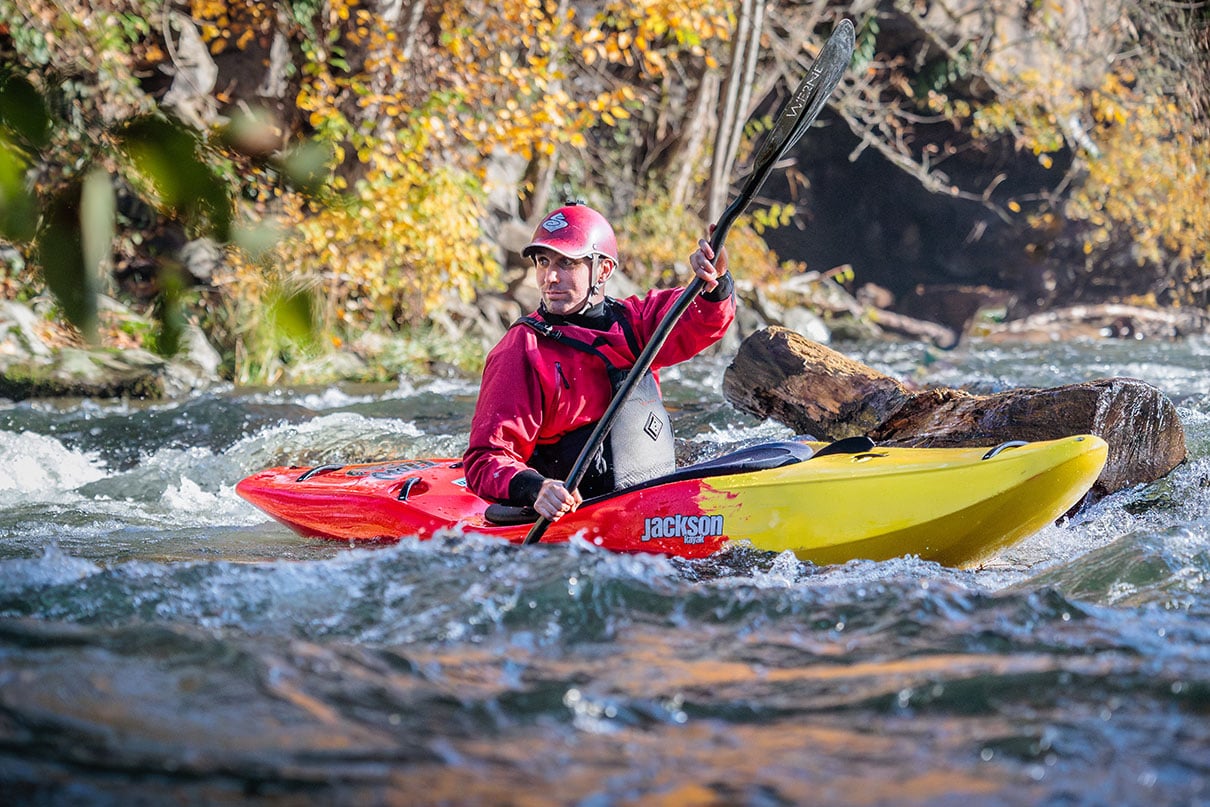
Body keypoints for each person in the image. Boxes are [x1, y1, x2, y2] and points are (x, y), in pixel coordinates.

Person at [463, 201, 736, 522]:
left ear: (603, 270)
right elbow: (485, 458)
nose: (549, 277)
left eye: (567, 263)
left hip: (649, 503)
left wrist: (714, 282)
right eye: (543, 261)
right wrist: (537, 489)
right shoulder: (522, 349)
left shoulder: (634, 322)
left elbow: (701, 320)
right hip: (574, 521)